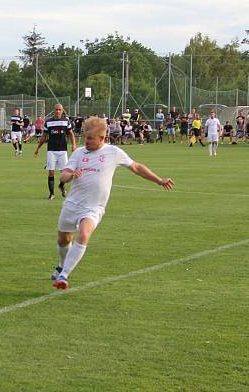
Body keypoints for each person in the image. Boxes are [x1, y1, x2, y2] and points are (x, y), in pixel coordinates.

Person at [51, 117, 174, 289]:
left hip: (94, 208)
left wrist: (159, 180)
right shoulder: (79, 152)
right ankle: (61, 265)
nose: (86, 141)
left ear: (102, 138)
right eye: (85, 137)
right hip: (72, 205)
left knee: (84, 234)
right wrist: (71, 175)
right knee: (63, 240)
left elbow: (136, 167)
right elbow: (63, 175)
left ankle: (64, 275)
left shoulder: (113, 152)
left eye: (90, 138)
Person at [35, 103, 76, 200]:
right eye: (56, 109)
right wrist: (38, 148)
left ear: (62, 111)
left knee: (64, 173)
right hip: (51, 151)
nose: (57, 111)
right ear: (54, 110)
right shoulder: (48, 122)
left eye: (59, 110)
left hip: (63, 151)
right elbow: (44, 136)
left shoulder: (66, 121)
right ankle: (51, 194)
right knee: (51, 172)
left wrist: (74, 145)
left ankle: (61, 185)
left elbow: (71, 134)